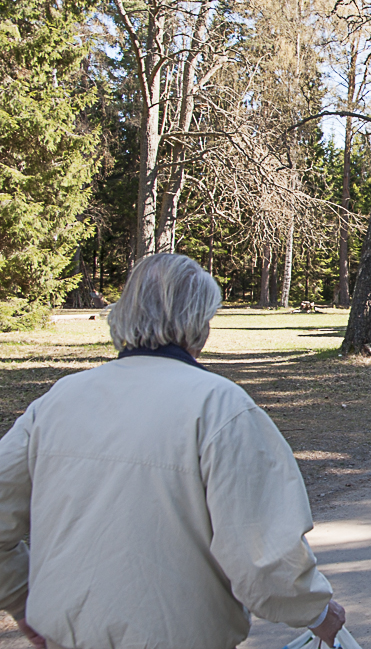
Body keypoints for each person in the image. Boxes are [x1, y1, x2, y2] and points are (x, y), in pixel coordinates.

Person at [0, 254, 346, 649]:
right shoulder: (221, 407)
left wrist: (27, 602)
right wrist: (318, 613)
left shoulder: (57, 401)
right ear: (200, 324)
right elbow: (261, 556)